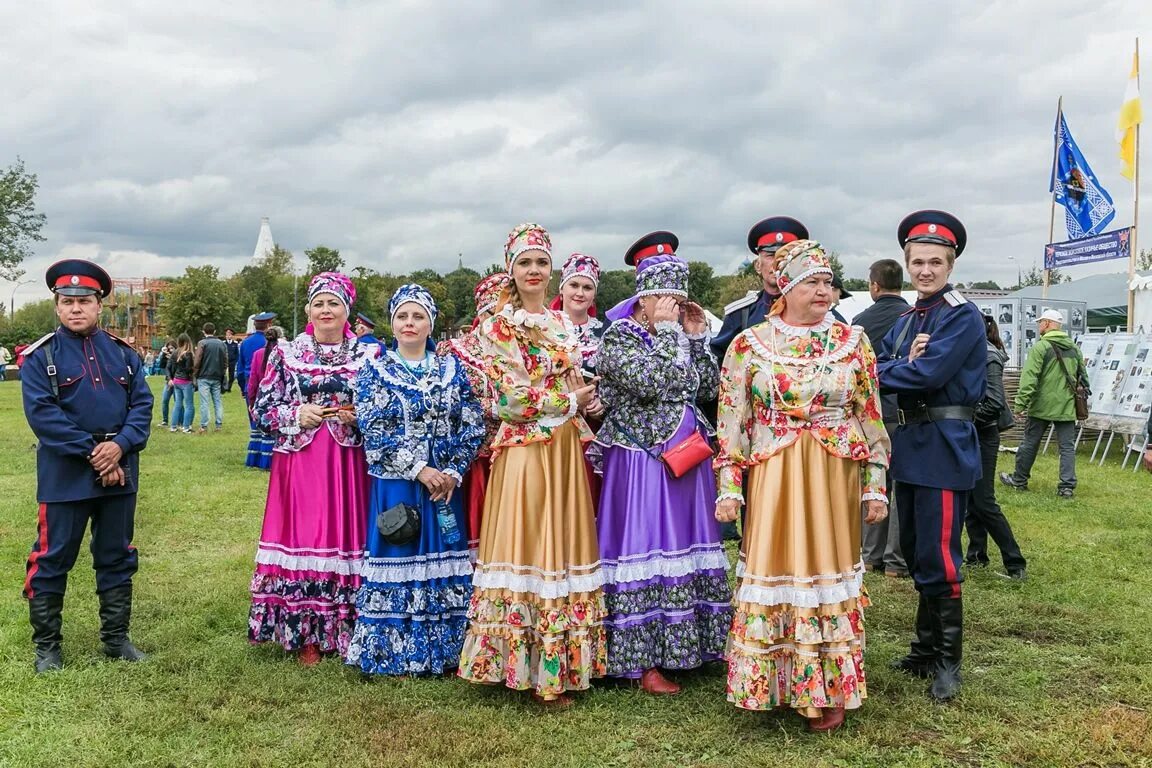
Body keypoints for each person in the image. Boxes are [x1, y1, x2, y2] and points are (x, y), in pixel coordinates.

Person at [715, 240, 889, 731]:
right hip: (775, 475)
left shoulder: (854, 343)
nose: (824, 289)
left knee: (827, 569)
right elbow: (733, 423)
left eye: (828, 281)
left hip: (833, 476)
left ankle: (828, 688)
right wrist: (729, 485)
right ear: (785, 287)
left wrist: (875, 484)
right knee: (778, 568)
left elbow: (870, 418)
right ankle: (771, 680)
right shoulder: (749, 344)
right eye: (812, 281)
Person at [458, 223, 606, 707]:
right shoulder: (497, 326)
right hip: (525, 447)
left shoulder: (564, 323)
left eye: (542, 262)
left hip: (563, 444)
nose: (535, 271)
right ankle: (526, 668)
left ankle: (560, 664)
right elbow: (508, 398)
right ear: (511, 270)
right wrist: (569, 398)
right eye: (525, 263)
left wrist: (584, 400)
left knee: (560, 546)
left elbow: (570, 380)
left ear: (552, 269)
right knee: (530, 544)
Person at [596, 253, 732, 694]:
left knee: (686, 545)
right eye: (666, 298)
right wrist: (673, 335)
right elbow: (654, 383)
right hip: (642, 461)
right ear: (644, 298)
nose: (675, 305)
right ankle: (641, 660)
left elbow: (708, 388)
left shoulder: (679, 334)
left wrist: (695, 339)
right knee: (648, 547)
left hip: (687, 459)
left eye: (680, 298)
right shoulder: (619, 339)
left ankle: (690, 646)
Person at [20, 259, 154, 673]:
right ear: (57, 307)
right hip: (66, 476)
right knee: (53, 556)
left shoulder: (123, 354)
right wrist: (98, 454)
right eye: (67, 301)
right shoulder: (41, 358)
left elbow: (142, 407)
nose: (76, 308)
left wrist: (121, 446)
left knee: (116, 553)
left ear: (99, 305)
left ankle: (116, 641)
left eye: (85, 301)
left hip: (121, 471)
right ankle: (48, 648)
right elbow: (44, 417)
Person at [346, 285, 484, 676]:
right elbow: (374, 426)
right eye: (403, 316)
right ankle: (391, 652)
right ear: (392, 323)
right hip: (400, 482)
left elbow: (471, 422)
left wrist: (454, 469)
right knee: (399, 550)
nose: (410, 323)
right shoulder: (374, 370)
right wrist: (418, 469)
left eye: (418, 316)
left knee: (444, 555)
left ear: (430, 323)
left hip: (444, 486)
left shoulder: (452, 370)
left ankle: (445, 651)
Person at [877, 210, 985, 703]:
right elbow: (874, 362)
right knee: (919, 548)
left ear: (951, 264)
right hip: (910, 445)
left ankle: (947, 661)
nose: (925, 270)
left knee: (940, 556)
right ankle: (924, 649)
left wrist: (904, 366)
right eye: (917, 261)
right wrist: (903, 362)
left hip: (943, 445)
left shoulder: (961, 315)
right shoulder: (905, 319)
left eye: (935, 262)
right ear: (907, 263)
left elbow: (927, 376)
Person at [249, 273, 377, 664]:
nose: (326, 310)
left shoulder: (370, 356)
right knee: (306, 537)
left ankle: (348, 626)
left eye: (333, 304)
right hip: (301, 462)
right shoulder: (287, 354)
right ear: (308, 311)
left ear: (347, 312)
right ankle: (305, 633)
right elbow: (262, 411)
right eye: (319, 304)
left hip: (348, 462)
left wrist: (360, 415)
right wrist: (295, 413)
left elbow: (384, 410)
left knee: (345, 536)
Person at [437, 272, 509, 551]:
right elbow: (447, 400)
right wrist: (496, 407)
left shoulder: (522, 349)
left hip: (513, 451)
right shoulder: (454, 351)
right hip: (472, 457)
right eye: (498, 312)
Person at [852, 259, 911, 578]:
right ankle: (896, 560)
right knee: (899, 487)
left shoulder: (861, 321)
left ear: (874, 286)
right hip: (903, 411)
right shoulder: (913, 317)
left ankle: (870, 553)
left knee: (871, 483)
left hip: (870, 413)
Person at [999, 308, 1086, 499]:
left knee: (1030, 443)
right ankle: (1066, 487)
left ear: (1047, 323)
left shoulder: (1041, 347)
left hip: (1041, 406)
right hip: (1066, 405)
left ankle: (1019, 480)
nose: (1038, 325)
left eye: (1040, 322)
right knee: (1067, 447)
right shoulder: (1074, 348)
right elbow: (1083, 378)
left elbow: (1029, 379)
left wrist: (1020, 405)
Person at [966, 315, 1027, 579]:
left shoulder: (988, 355)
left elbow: (994, 403)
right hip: (974, 432)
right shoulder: (975, 351)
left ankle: (1015, 563)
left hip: (983, 433)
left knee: (983, 500)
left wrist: (965, 420)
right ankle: (977, 555)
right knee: (970, 498)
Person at [710, 216, 810, 363]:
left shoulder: (816, 310)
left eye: (786, 255)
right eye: (771, 256)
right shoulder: (741, 314)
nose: (778, 263)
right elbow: (720, 361)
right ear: (757, 265)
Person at [550, 252, 604, 371]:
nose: (580, 293)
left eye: (587, 288)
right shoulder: (544, 328)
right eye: (574, 285)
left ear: (594, 295)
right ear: (562, 289)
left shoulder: (604, 333)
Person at [244, 326, 284, 469]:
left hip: (262, 396)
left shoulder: (258, 354)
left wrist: (252, 399)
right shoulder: (284, 353)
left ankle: (256, 459)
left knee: (259, 429)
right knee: (274, 430)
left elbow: (253, 379)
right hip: (279, 396)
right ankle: (271, 461)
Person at [193, 323, 228, 432]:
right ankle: (218, 425)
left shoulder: (202, 343)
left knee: (205, 401)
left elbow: (197, 359)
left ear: (203, 331)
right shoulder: (221, 344)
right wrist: (223, 373)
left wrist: (195, 373)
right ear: (215, 331)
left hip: (204, 375)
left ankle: (204, 425)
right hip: (217, 376)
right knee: (217, 401)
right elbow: (225, 360)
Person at [237, 311, 276, 400]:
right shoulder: (272, 342)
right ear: (269, 325)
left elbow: (240, 369)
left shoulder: (245, 342)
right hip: (269, 385)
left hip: (250, 383)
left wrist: (243, 387)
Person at [168, 334, 196, 434]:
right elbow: (188, 368)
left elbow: (172, 366)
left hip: (176, 380)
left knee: (177, 404)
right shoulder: (188, 353)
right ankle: (186, 427)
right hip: (186, 381)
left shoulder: (176, 352)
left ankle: (173, 426)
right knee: (189, 405)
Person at [156, 340, 175, 427]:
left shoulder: (178, 355)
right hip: (168, 380)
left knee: (178, 402)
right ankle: (165, 421)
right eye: (169, 348)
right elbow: (162, 366)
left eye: (172, 348)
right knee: (164, 400)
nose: (170, 350)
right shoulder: (166, 356)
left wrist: (172, 358)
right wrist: (163, 355)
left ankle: (179, 421)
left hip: (178, 381)